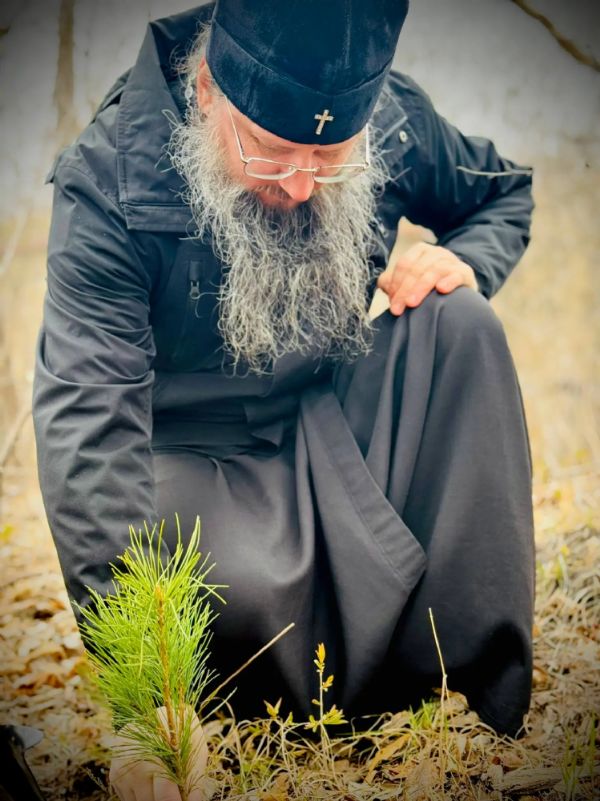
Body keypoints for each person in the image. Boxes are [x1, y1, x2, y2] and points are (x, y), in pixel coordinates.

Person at [33, 0, 536, 797]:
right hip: (191, 473)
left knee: (462, 323)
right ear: (207, 90)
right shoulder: (108, 178)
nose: (300, 185)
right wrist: (147, 698)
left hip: (330, 432)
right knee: (213, 580)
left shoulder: (390, 120)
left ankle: (458, 676)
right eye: (269, 152)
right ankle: (233, 708)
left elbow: (502, 192)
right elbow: (89, 427)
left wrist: (465, 256)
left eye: (330, 158)